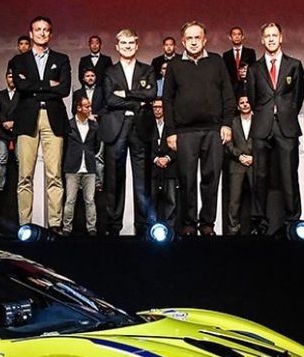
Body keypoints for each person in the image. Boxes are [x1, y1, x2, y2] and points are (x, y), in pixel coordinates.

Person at [163, 21, 236, 236]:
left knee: (211, 179)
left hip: (213, 131)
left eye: (198, 38)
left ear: (205, 40)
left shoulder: (217, 61)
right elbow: (167, 100)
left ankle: (207, 224)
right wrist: (171, 131)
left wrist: (227, 124)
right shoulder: (175, 65)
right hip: (184, 132)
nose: (194, 42)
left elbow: (228, 96)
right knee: (186, 180)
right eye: (189, 38)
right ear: (183, 41)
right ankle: (188, 223)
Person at [11, 16, 71, 230]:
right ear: (31, 33)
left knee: (54, 174)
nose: (42, 33)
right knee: (24, 175)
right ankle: (24, 223)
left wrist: (35, 86)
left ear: (51, 34)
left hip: (52, 118)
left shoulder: (61, 59)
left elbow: (64, 89)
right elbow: (21, 86)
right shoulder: (19, 61)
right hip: (27, 118)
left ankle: (55, 224)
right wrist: (48, 85)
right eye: (38, 29)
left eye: (46, 30)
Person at [246, 22, 304, 236]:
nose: (271, 39)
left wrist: (284, 113)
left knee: (289, 176)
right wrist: (266, 113)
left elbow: (297, 98)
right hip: (262, 127)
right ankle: (259, 223)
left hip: (286, 127)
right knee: (259, 176)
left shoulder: (294, 65)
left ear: (281, 38)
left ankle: (292, 222)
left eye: (274, 35)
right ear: (261, 40)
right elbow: (253, 99)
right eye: (267, 36)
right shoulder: (254, 68)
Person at [100, 28, 156, 236]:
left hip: (141, 128)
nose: (127, 47)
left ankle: (143, 226)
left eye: (131, 43)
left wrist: (127, 94)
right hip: (116, 129)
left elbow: (151, 93)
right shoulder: (109, 72)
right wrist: (136, 102)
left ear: (137, 44)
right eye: (123, 44)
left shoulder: (147, 69)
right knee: (115, 179)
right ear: (117, 46)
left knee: (142, 179)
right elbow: (109, 99)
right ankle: (114, 225)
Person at [62, 96, 101, 235]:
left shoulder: (94, 125)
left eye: (89, 106)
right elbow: (64, 146)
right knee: (70, 200)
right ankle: (67, 227)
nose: (89, 109)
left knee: (90, 200)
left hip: (89, 166)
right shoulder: (69, 125)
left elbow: (96, 146)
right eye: (86, 106)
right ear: (78, 108)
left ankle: (91, 228)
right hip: (72, 166)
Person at [224, 94, 254, 235]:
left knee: (257, 198)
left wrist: (253, 157)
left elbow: (265, 140)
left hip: (255, 164)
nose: (245, 104)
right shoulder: (233, 122)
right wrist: (239, 156)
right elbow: (228, 143)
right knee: (234, 201)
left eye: (247, 102)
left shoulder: (260, 120)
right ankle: (233, 230)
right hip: (237, 164)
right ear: (238, 106)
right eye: (241, 103)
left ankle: (257, 228)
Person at [149, 98, 177, 227]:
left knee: (171, 199)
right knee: (152, 199)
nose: (157, 110)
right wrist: (155, 159)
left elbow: (178, 144)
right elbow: (144, 145)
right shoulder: (148, 124)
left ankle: (170, 226)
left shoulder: (172, 125)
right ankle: (152, 225)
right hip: (153, 168)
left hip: (170, 167)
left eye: (160, 107)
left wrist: (167, 158)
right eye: (155, 107)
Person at [0, 68, 18, 190]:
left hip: (18, 130)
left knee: (20, 160)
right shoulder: (0, 94)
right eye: (9, 77)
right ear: (6, 78)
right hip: (3, 130)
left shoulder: (21, 95)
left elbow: (24, 111)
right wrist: (4, 122)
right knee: (2, 158)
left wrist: (14, 122)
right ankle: (0, 184)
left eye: (13, 77)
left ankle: (21, 184)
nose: (11, 79)